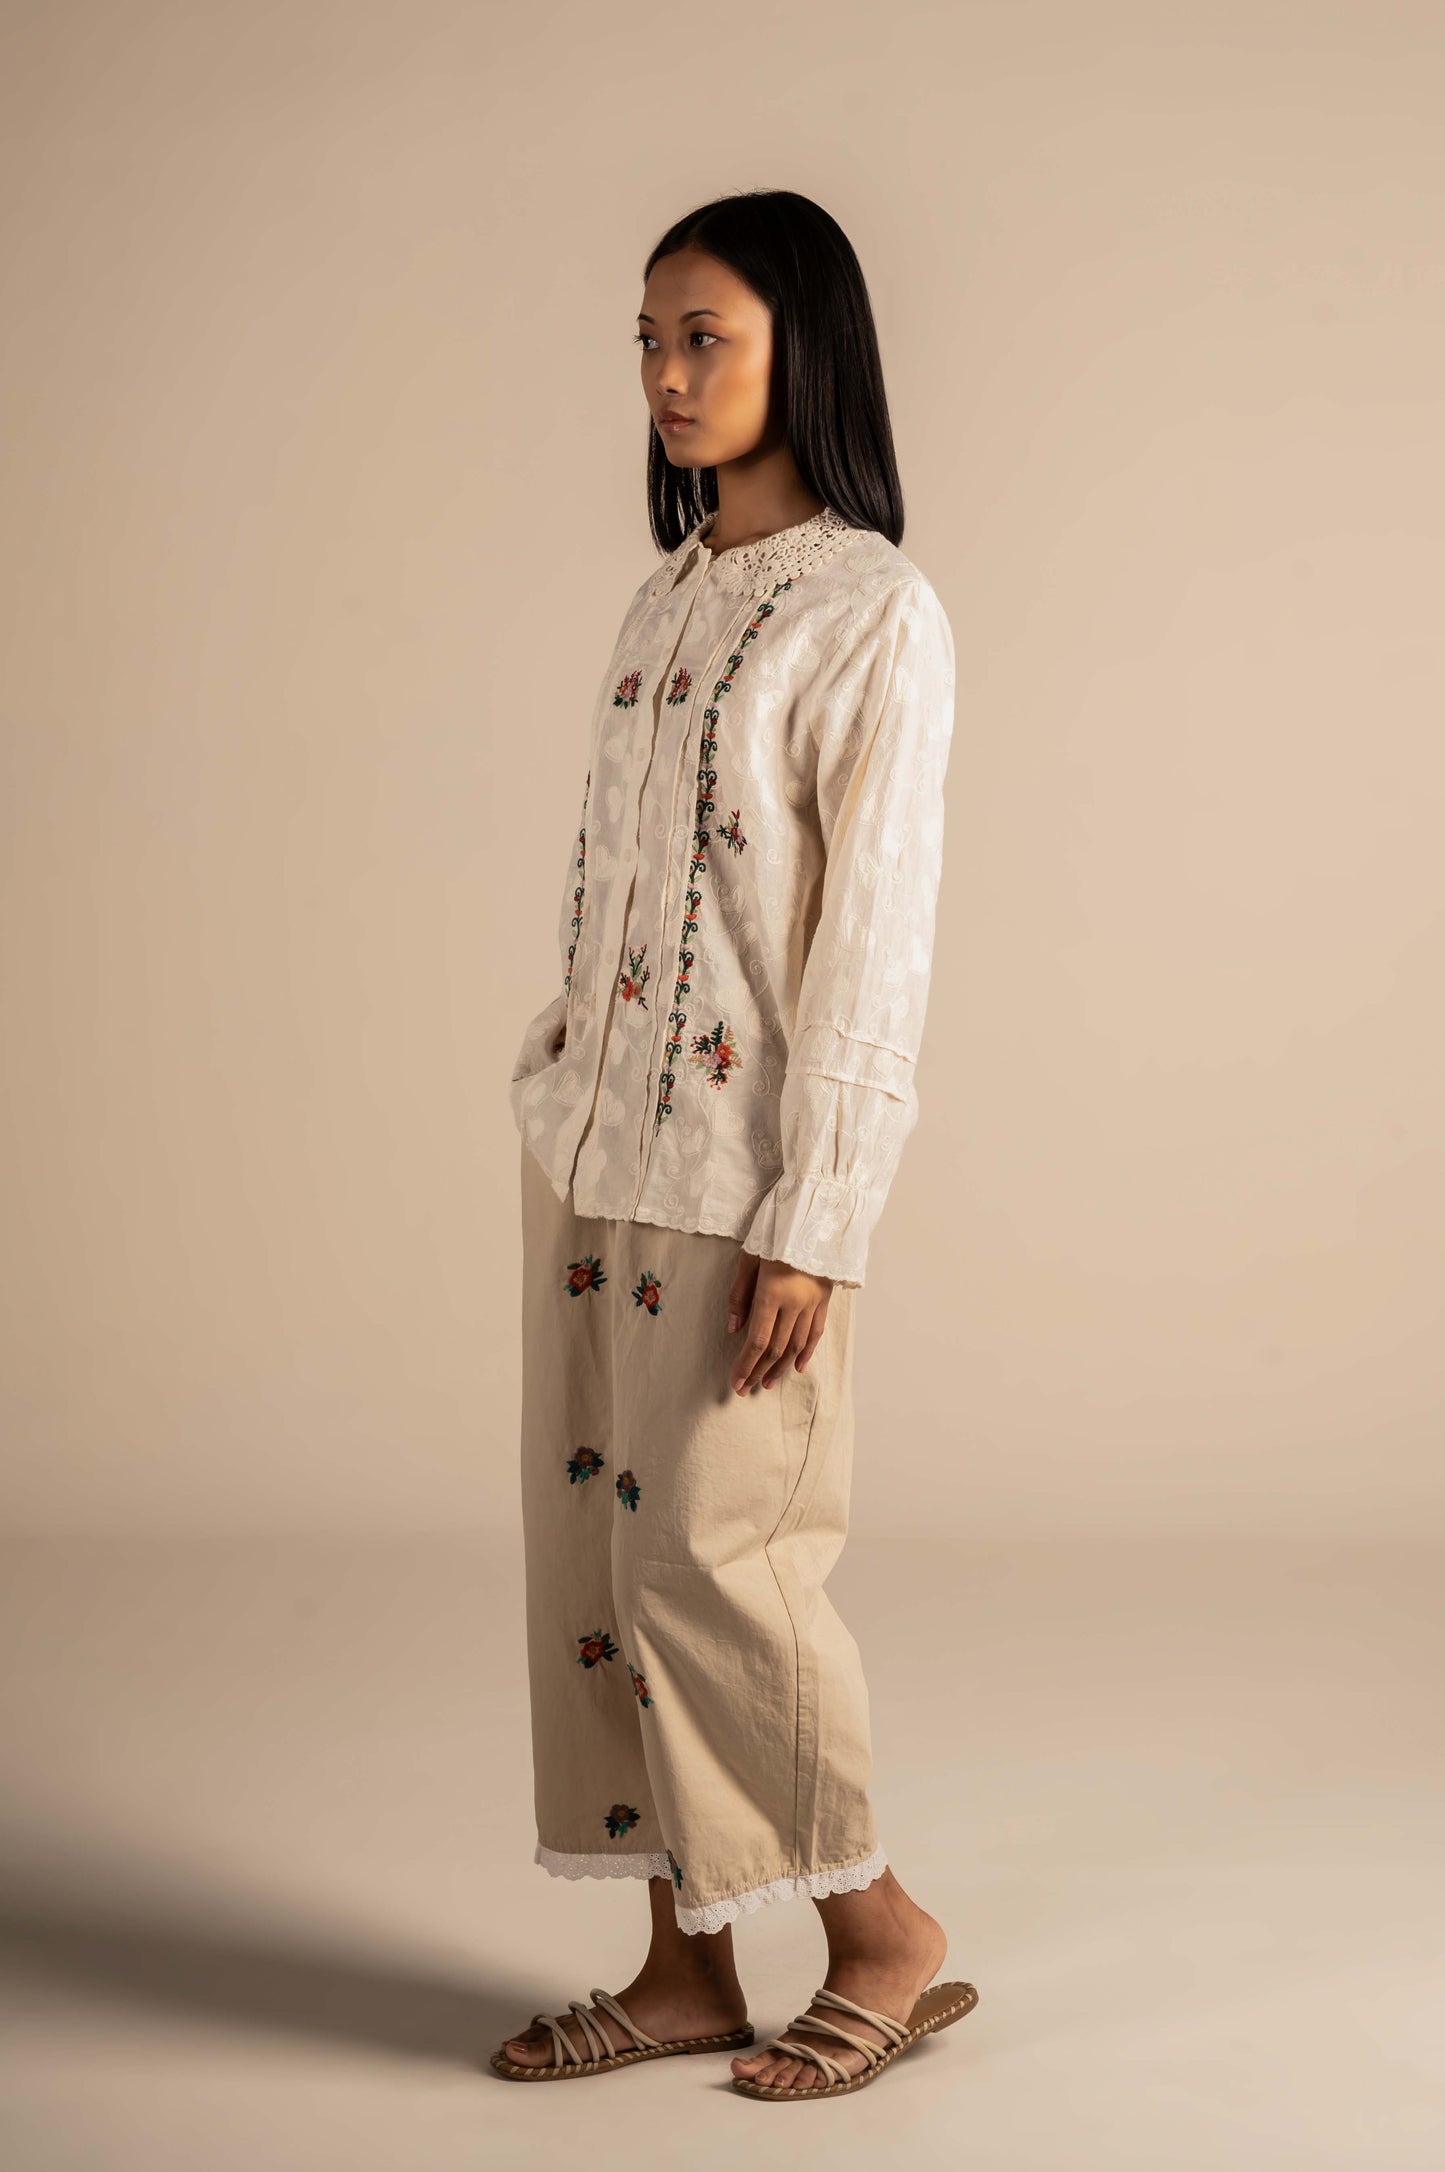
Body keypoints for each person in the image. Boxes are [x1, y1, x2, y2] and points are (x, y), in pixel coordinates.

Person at [493, 189, 977, 2101]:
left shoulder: (872, 610)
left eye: (705, 336)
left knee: (720, 1559)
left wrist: (818, 1217)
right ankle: (682, 1967)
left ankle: (884, 1937)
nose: (666, 374)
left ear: (804, 349)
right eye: (647, 338)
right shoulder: (667, 594)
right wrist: (563, 1067)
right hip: (596, 1157)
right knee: (601, 1566)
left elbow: (872, 938)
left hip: (745, 1180)